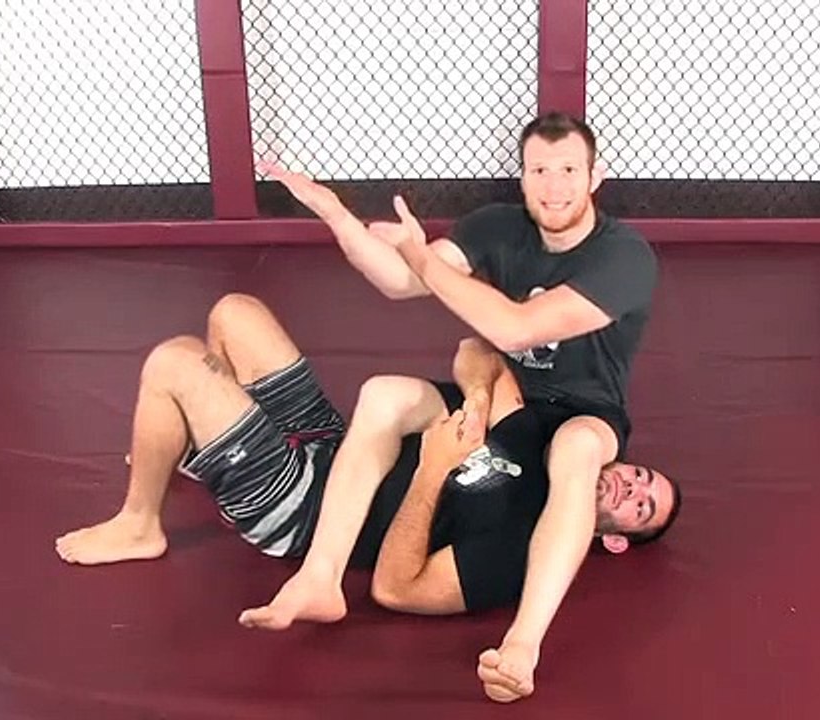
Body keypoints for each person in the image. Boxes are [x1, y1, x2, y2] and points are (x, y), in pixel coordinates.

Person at [248, 112, 658, 702]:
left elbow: (515, 328)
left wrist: (423, 259)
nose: (554, 186)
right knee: (384, 394)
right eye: (540, 171)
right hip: (506, 392)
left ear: (596, 176)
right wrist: (335, 214)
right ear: (522, 177)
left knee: (576, 448)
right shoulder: (499, 227)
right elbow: (398, 280)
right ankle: (321, 576)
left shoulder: (624, 256)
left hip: (583, 410)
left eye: (569, 170)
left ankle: (523, 644)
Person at [54, 294, 679, 620]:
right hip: (333, 442)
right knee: (234, 313)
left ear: (615, 540)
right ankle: (192, 447)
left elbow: (397, 589)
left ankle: (140, 523)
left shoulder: (524, 557)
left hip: (300, 508)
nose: (631, 487)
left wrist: (433, 470)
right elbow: (482, 355)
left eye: (642, 507)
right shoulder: (544, 444)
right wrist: (478, 400)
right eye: (641, 476)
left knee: (175, 361)